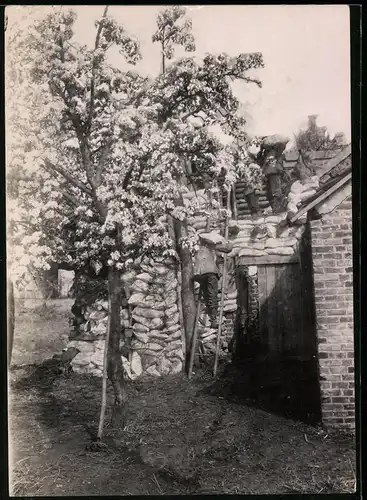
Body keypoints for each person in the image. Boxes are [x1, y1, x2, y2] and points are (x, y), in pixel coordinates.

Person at [193, 230, 233, 329]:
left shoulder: (197, 247)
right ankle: (213, 320)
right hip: (210, 273)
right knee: (213, 295)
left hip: (199, 274)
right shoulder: (211, 245)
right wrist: (228, 243)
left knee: (207, 294)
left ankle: (206, 311)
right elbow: (228, 249)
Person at [257, 134, 290, 214]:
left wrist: (275, 142)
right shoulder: (264, 154)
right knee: (269, 194)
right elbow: (259, 161)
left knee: (276, 192)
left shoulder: (277, 150)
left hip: (275, 173)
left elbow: (283, 143)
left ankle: (278, 210)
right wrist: (261, 150)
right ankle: (275, 209)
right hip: (267, 175)